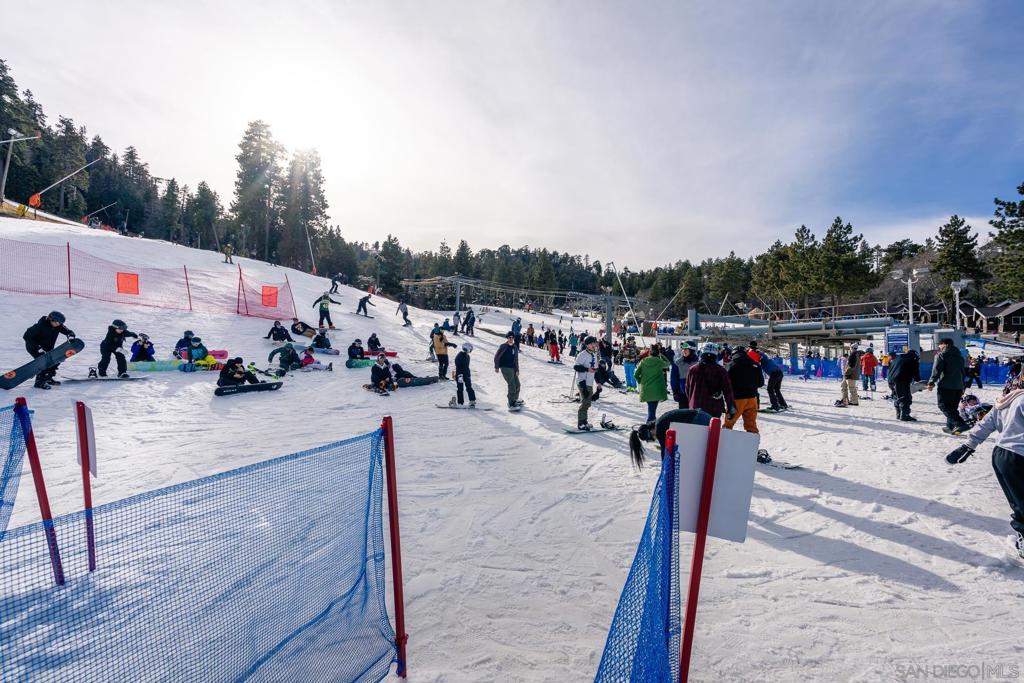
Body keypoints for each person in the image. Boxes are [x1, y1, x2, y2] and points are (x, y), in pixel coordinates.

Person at [944, 379, 1024, 560]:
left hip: (1003, 456)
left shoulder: (1007, 399)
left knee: (1020, 502)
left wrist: (968, 445)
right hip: (1019, 456)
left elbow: (986, 424)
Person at [629, 408, 713, 470]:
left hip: (699, 419)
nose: (655, 438)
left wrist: (664, 470)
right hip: (700, 415)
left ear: (650, 430)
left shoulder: (660, 427)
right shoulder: (660, 422)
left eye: (651, 437)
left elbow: (664, 453)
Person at [22, 310, 76, 389]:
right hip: (34, 347)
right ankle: (39, 382)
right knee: (45, 363)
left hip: (47, 347)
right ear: (51, 319)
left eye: (60, 323)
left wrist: (71, 335)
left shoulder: (58, 326)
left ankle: (48, 378)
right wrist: (38, 348)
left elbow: (68, 331)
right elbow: (26, 336)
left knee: (55, 361)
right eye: (57, 323)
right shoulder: (40, 326)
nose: (58, 325)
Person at [929, 338, 971, 434]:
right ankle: (950, 426)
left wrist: (931, 382)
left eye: (939, 345)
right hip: (959, 386)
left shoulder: (941, 355)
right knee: (952, 407)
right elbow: (963, 372)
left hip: (946, 386)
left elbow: (936, 371)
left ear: (944, 344)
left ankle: (960, 423)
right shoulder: (960, 357)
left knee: (943, 406)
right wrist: (962, 386)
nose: (939, 347)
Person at [686, 342, 735, 419]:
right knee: (712, 430)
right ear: (715, 355)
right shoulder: (721, 370)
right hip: (714, 408)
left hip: (695, 408)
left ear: (702, 353)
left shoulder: (693, 369)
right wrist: (731, 407)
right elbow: (728, 390)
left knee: (695, 430)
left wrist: (691, 402)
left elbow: (688, 389)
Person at [723, 345, 763, 433]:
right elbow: (761, 383)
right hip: (752, 399)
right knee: (751, 425)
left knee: (728, 425)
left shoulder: (731, 365)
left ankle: (724, 444)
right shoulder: (755, 364)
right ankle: (751, 444)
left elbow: (726, 383)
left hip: (737, 399)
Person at [635, 343, 671, 423]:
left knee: (651, 409)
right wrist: (662, 355)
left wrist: (640, 381)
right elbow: (668, 364)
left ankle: (650, 425)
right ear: (657, 352)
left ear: (649, 352)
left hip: (646, 389)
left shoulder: (643, 361)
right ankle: (650, 426)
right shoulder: (659, 361)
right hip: (657, 390)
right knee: (652, 411)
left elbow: (636, 374)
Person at [573, 336, 601, 430]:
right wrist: (586, 369)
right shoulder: (582, 354)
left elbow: (596, 370)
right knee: (585, 402)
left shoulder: (594, 355)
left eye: (594, 343)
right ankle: (580, 423)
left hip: (589, 382)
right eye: (592, 343)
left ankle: (585, 421)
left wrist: (598, 383)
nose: (594, 345)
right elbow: (576, 367)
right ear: (587, 344)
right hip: (582, 381)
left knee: (588, 403)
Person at [888, 348, 921, 421]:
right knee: (905, 397)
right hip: (901, 380)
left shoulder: (897, 358)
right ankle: (904, 415)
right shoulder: (912, 360)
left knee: (897, 396)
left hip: (891, 380)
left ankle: (898, 414)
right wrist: (919, 383)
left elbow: (890, 368)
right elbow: (916, 372)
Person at [494, 331, 522, 410]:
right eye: (509, 337)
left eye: (512, 337)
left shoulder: (515, 347)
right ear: (507, 338)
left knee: (518, 384)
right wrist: (496, 367)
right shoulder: (503, 346)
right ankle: (511, 403)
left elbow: (516, 360)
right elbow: (497, 357)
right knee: (512, 385)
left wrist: (517, 370)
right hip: (505, 368)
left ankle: (515, 399)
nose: (511, 339)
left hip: (513, 368)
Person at [670, 343, 698, 408]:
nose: (683, 351)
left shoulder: (698, 363)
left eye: (686, 349)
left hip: (695, 394)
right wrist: (675, 391)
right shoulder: (678, 363)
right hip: (682, 393)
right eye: (683, 349)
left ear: (692, 350)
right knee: (684, 415)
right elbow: (674, 378)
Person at [450, 343, 477, 407]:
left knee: (469, 387)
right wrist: (458, 375)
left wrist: (468, 374)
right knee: (460, 388)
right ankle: (460, 402)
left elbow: (466, 366)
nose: (471, 351)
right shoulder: (459, 355)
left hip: (466, 374)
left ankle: (472, 400)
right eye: (470, 349)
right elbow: (458, 366)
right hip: (460, 375)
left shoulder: (467, 356)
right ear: (467, 349)